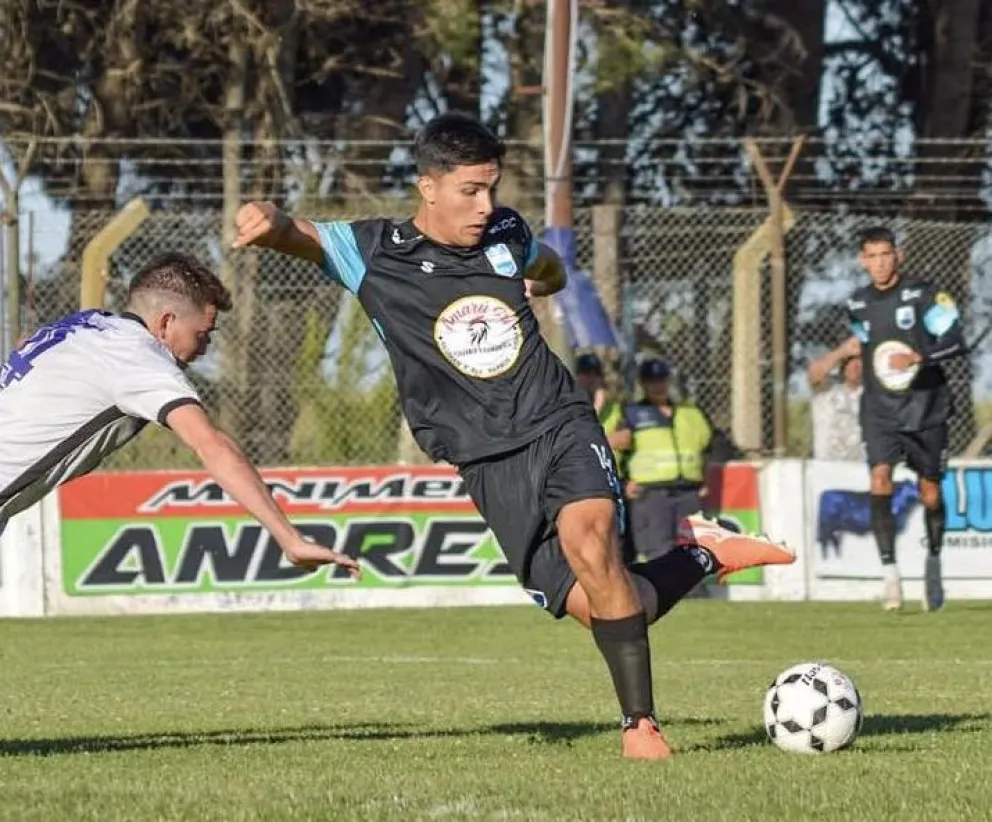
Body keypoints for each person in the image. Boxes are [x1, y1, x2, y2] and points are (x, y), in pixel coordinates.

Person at [232, 111, 794, 760]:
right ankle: (704, 554)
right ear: (428, 187)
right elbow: (295, 231)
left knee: (592, 546)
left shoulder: (506, 232)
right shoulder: (374, 251)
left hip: (557, 417)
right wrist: (265, 217)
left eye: (492, 188)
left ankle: (639, 726)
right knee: (604, 603)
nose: (485, 205)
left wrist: (542, 280)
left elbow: (548, 267)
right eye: (470, 190)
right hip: (484, 457)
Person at [0, 252, 359, 578]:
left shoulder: (87, 324)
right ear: (166, 322)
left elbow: (25, 348)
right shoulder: (139, 360)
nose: (205, 347)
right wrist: (289, 538)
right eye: (201, 333)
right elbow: (211, 446)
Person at [819, 226, 965, 612]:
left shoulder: (926, 295)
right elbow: (865, 343)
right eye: (872, 256)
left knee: (930, 493)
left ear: (898, 255)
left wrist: (919, 356)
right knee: (879, 478)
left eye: (886, 254)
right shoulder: (858, 303)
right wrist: (834, 358)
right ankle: (890, 576)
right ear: (862, 261)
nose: (880, 263)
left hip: (925, 408)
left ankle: (933, 561)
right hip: (880, 410)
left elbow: (955, 341)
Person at [614, 358, 714, 562]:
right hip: (651, 495)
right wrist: (622, 484)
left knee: (694, 551)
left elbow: (712, 446)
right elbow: (614, 453)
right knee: (658, 554)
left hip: (688, 493)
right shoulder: (631, 414)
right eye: (651, 381)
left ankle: (693, 585)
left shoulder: (691, 413)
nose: (657, 386)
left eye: (661, 380)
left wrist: (707, 479)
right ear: (642, 384)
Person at [574, 351, 634, 564]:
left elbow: (625, 439)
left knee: (617, 541)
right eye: (585, 374)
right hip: (581, 482)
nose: (590, 380)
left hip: (612, 480)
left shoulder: (616, 409)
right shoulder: (572, 408)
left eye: (594, 374)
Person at [806, 339, 864, 461]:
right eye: (851, 360)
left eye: (861, 360)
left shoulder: (872, 395)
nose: (856, 365)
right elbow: (815, 373)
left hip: (860, 466)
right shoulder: (826, 392)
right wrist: (844, 351)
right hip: (826, 465)